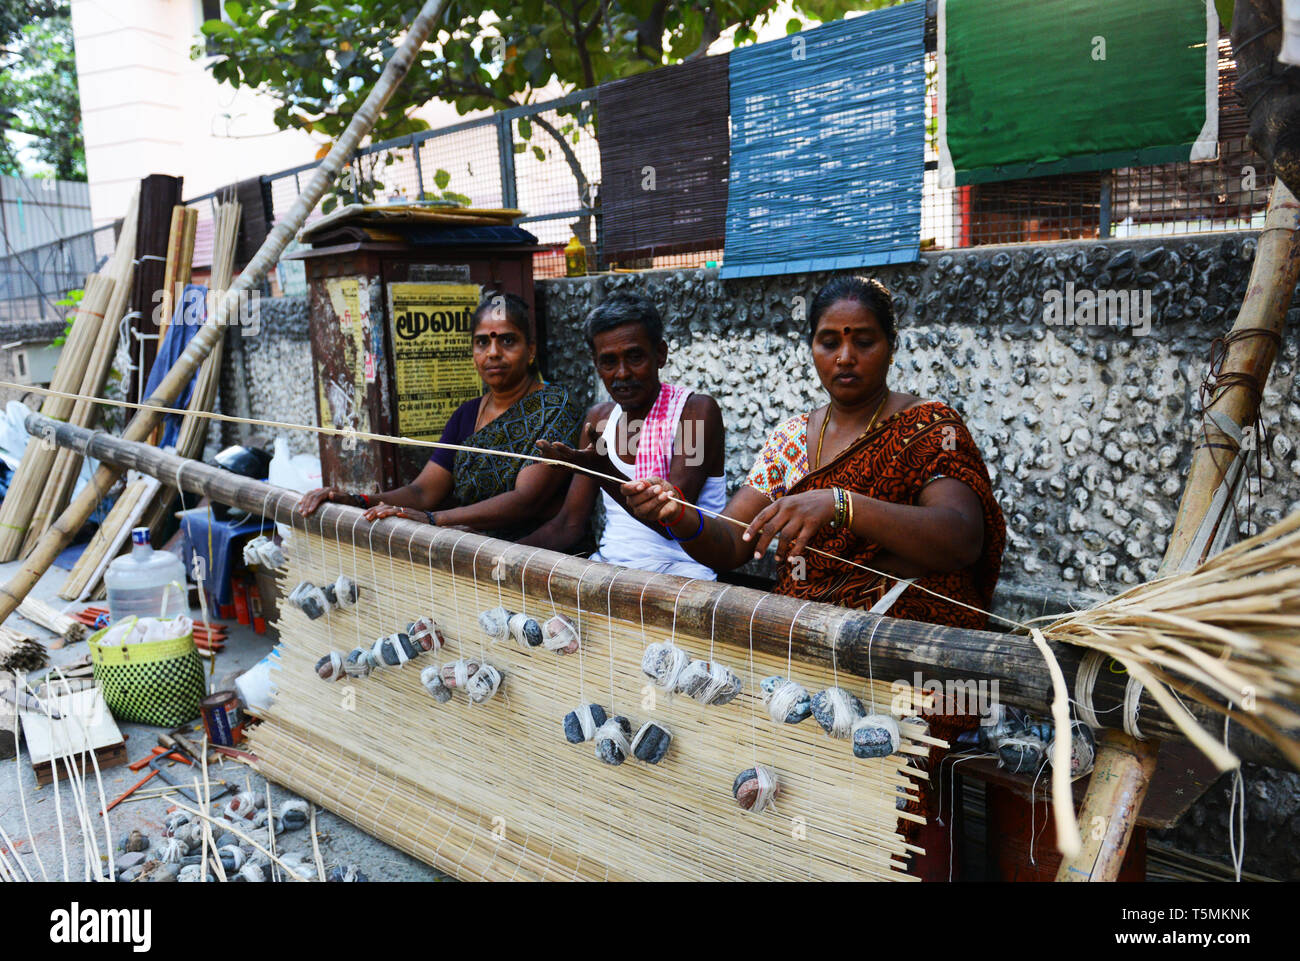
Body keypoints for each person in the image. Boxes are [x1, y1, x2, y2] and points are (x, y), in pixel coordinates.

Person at [620, 274, 1006, 881]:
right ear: (812, 348)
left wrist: (842, 503)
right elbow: (731, 545)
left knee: (912, 806)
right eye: (829, 341)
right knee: (816, 802)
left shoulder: (931, 428)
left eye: (864, 340)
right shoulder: (792, 442)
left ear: (892, 345)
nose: (846, 356)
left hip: (909, 655)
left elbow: (960, 536)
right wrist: (678, 517)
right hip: (812, 649)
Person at [296, 292, 584, 541]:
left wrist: (435, 521)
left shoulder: (556, 407)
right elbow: (422, 492)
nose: (493, 353)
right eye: (482, 342)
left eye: (508, 341)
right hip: (467, 549)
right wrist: (356, 500)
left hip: (532, 556)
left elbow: (526, 500)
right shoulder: (467, 415)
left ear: (530, 350)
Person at [521, 292, 727, 580]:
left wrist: (602, 469)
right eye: (609, 362)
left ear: (660, 354)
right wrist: (496, 552)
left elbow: (671, 519)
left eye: (634, 357)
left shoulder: (695, 412)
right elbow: (569, 523)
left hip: (683, 578)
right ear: (596, 364)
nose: (622, 373)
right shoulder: (600, 419)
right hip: (609, 569)